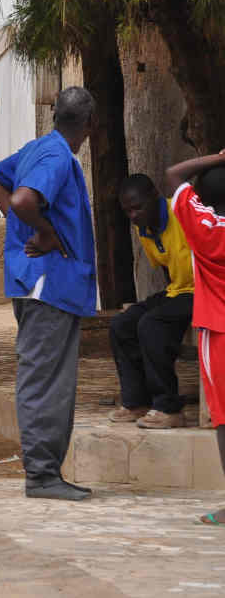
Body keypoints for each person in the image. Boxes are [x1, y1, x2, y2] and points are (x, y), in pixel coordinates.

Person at [0, 86, 98, 501]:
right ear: (89, 125)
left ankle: (45, 473)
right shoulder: (54, 157)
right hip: (47, 286)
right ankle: (42, 475)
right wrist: (45, 232)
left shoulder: (38, 147)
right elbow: (20, 198)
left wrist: (22, 230)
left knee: (50, 378)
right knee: (46, 381)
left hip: (38, 280)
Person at [163, 151, 225, 525]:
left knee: (223, 419)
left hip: (218, 333)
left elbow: (173, 172)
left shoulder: (202, 226)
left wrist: (219, 156)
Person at [109, 173, 194, 428]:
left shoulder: (180, 212)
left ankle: (169, 408)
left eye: (138, 207)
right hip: (178, 290)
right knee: (122, 324)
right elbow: (166, 268)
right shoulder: (143, 228)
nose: (133, 215)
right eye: (128, 211)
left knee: (152, 324)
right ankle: (137, 402)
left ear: (155, 196)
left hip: (205, 289)